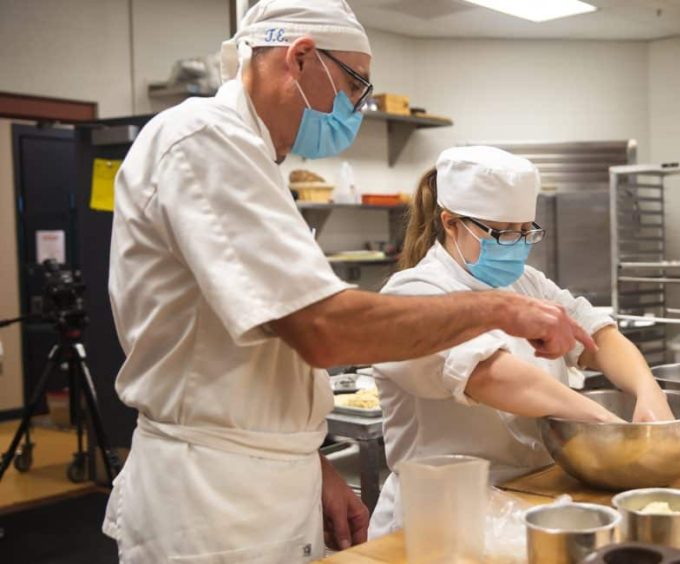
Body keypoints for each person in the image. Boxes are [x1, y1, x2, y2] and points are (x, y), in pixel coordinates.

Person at [102, 2, 595, 562]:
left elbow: (247, 355)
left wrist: (313, 463)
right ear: (300, 58)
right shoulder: (203, 140)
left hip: (259, 479)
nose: (357, 106)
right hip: (212, 503)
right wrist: (499, 310)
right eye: (356, 84)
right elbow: (323, 330)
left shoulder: (252, 160)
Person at [368, 146, 675, 537]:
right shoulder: (412, 294)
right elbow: (490, 375)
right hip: (441, 516)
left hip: (532, 500)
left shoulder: (526, 282)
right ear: (451, 223)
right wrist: (608, 425)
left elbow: (597, 335)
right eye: (503, 232)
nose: (517, 244)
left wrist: (649, 391)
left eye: (526, 230)